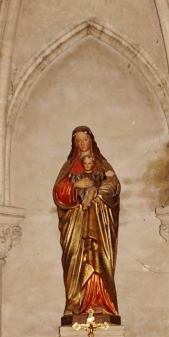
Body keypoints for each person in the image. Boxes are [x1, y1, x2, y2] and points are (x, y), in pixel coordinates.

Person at [54, 126, 120, 323]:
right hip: (75, 222)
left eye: (85, 139)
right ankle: (74, 304)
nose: (82, 144)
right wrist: (76, 186)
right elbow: (58, 192)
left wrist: (97, 196)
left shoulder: (102, 164)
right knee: (74, 257)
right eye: (78, 140)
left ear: (92, 140)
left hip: (99, 220)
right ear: (75, 144)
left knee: (98, 256)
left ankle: (101, 301)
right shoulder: (69, 166)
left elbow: (114, 185)